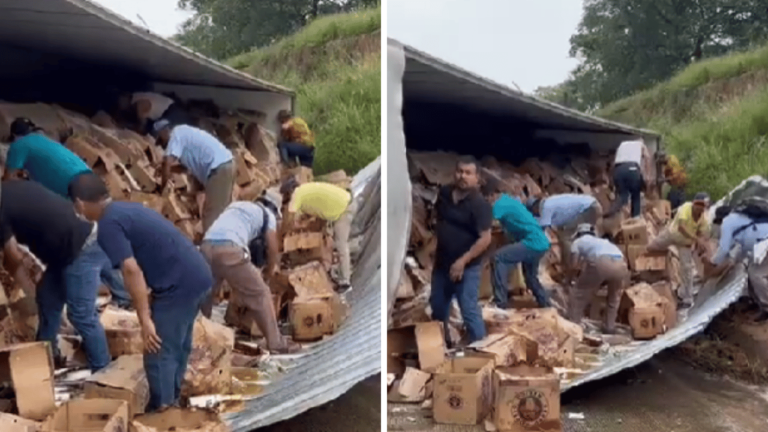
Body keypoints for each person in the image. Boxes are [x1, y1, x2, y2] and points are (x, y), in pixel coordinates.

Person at [70, 173, 213, 412]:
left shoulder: (108, 225)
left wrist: (145, 319)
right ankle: (174, 403)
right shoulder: (126, 209)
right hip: (198, 274)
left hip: (178, 286)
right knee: (177, 345)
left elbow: (131, 270)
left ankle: (164, 413)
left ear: (79, 203)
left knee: (157, 351)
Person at [0, 180, 115, 372]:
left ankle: (104, 373)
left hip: (81, 247)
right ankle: (46, 360)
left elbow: (13, 256)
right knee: (47, 299)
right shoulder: (8, 189)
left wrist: (27, 284)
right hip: (64, 251)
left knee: (81, 315)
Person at [200, 189, 301, 353]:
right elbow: (272, 246)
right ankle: (276, 343)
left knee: (206, 296)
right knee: (261, 294)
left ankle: (198, 336)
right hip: (229, 249)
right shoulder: (268, 215)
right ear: (276, 209)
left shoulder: (238, 206)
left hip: (206, 247)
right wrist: (269, 271)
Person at [426, 157, 491, 343]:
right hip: (441, 264)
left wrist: (462, 262)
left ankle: (480, 349)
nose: (462, 176)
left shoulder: (480, 205)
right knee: (438, 308)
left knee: (468, 310)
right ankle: (441, 347)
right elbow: (438, 219)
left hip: (466, 268)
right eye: (460, 171)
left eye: (468, 173)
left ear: (477, 178)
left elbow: (485, 238)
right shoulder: (445, 193)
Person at [153, 120, 235, 233]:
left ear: (163, 132)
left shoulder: (176, 135)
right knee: (217, 212)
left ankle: (210, 248)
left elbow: (167, 162)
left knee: (212, 216)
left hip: (218, 168)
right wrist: (170, 170)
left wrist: (163, 189)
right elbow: (186, 168)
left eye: (161, 142)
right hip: (222, 165)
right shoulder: (183, 135)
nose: (163, 147)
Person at [280, 177, 358, 292]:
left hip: (343, 209)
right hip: (341, 205)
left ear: (290, 191)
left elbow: (289, 219)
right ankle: (334, 272)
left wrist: (284, 235)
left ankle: (345, 282)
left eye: (286, 196)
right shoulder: (305, 191)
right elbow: (314, 210)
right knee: (328, 238)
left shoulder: (297, 194)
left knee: (341, 244)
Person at [483, 180, 551, 309]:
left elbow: (486, 225)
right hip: (541, 242)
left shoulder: (498, 205)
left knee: (498, 258)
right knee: (530, 277)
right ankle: (546, 305)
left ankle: (500, 303)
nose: (487, 203)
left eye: (486, 199)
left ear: (492, 195)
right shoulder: (509, 200)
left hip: (532, 242)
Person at [646, 192, 711, 309]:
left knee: (687, 269)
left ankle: (687, 297)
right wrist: (696, 239)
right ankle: (668, 252)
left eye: (704, 206)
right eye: (699, 205)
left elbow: (701, 232)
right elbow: (681, 227)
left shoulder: (703, 218)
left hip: (684, 244)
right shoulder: (686, 208)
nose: (701, 208)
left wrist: (699, 243)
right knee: (651, 248)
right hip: (672, 234)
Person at [707, 199, 768, 322]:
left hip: (765, 242)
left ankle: (766, 307)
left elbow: (724, 248)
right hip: (761, 244)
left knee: (756, 274)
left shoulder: (728, 221)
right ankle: (757, 303)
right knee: (750, 270)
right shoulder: (739, 220)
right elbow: (738, 249)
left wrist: (713, 263)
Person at [4, 118, 92, 199]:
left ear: (14, 135)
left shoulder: (19, 144)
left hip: (71, 188)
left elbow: (8, 181)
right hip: (89, 176)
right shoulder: (47, 140)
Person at [568, 224, 629, 333]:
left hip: (601, 261)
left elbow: (573, 265)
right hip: (621, 263)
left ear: (578, 234)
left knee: (579, 294)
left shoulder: (577, 242)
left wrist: (571, 279)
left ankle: (573, 325)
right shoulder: (603, 242)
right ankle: (609, 327)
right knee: (614, 297)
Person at [528, 193, 602, 273]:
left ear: (535, 206)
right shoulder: (551, 202)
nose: (535, 214)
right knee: (573, 237)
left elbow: (542, 229)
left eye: (533, 211)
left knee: (566, 239)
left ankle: (571, 269)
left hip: (588, 209)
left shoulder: (545, 206)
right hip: (591, 205)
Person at [605, 139, 653, 218]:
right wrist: (648, 175)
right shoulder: (640, 144)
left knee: (623, 196)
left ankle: (612, 211)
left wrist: (611, 179)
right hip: (632, 169)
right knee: (636, 195)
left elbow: (613, 163)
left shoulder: (622, 144)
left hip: (618, 170)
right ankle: (636, 219)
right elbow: (647, 157)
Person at [123, 91, 189, 134]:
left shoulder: (141, 103)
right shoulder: (137, 96)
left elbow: (142, 125)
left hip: (171, 112)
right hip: (169, 110)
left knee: (157, 133)